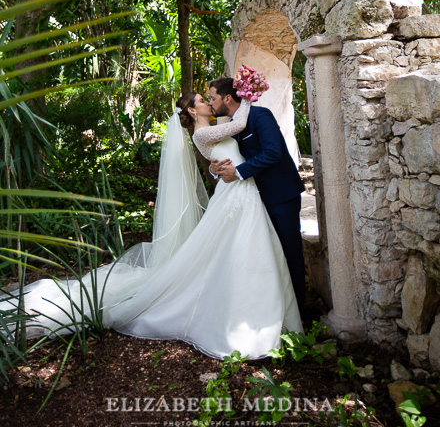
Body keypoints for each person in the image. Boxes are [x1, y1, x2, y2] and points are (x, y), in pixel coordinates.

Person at [0, 93, 302, 360]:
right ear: (193, 112)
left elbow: (232, 148)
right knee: (236, 250)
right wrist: (250, 94)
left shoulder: (210, 127)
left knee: (245, 250)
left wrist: (215, 164)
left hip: (243, 193)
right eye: (202, 100)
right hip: (236, 194)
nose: (208, 102)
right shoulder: (204, 131)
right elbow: (236, 128)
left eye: (209, 97)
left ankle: (267, 314)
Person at [208, 77, 306, 316]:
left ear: (227, 98)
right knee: (269, 256)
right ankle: (277, 312)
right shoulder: (233, 124)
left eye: (213, 98)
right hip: (255, 200)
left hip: (281, 196)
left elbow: (273, 153)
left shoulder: (260, 116)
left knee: (290, 254)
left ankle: (301, 315)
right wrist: (216, 169)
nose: (211, 103)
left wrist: (239, 172)